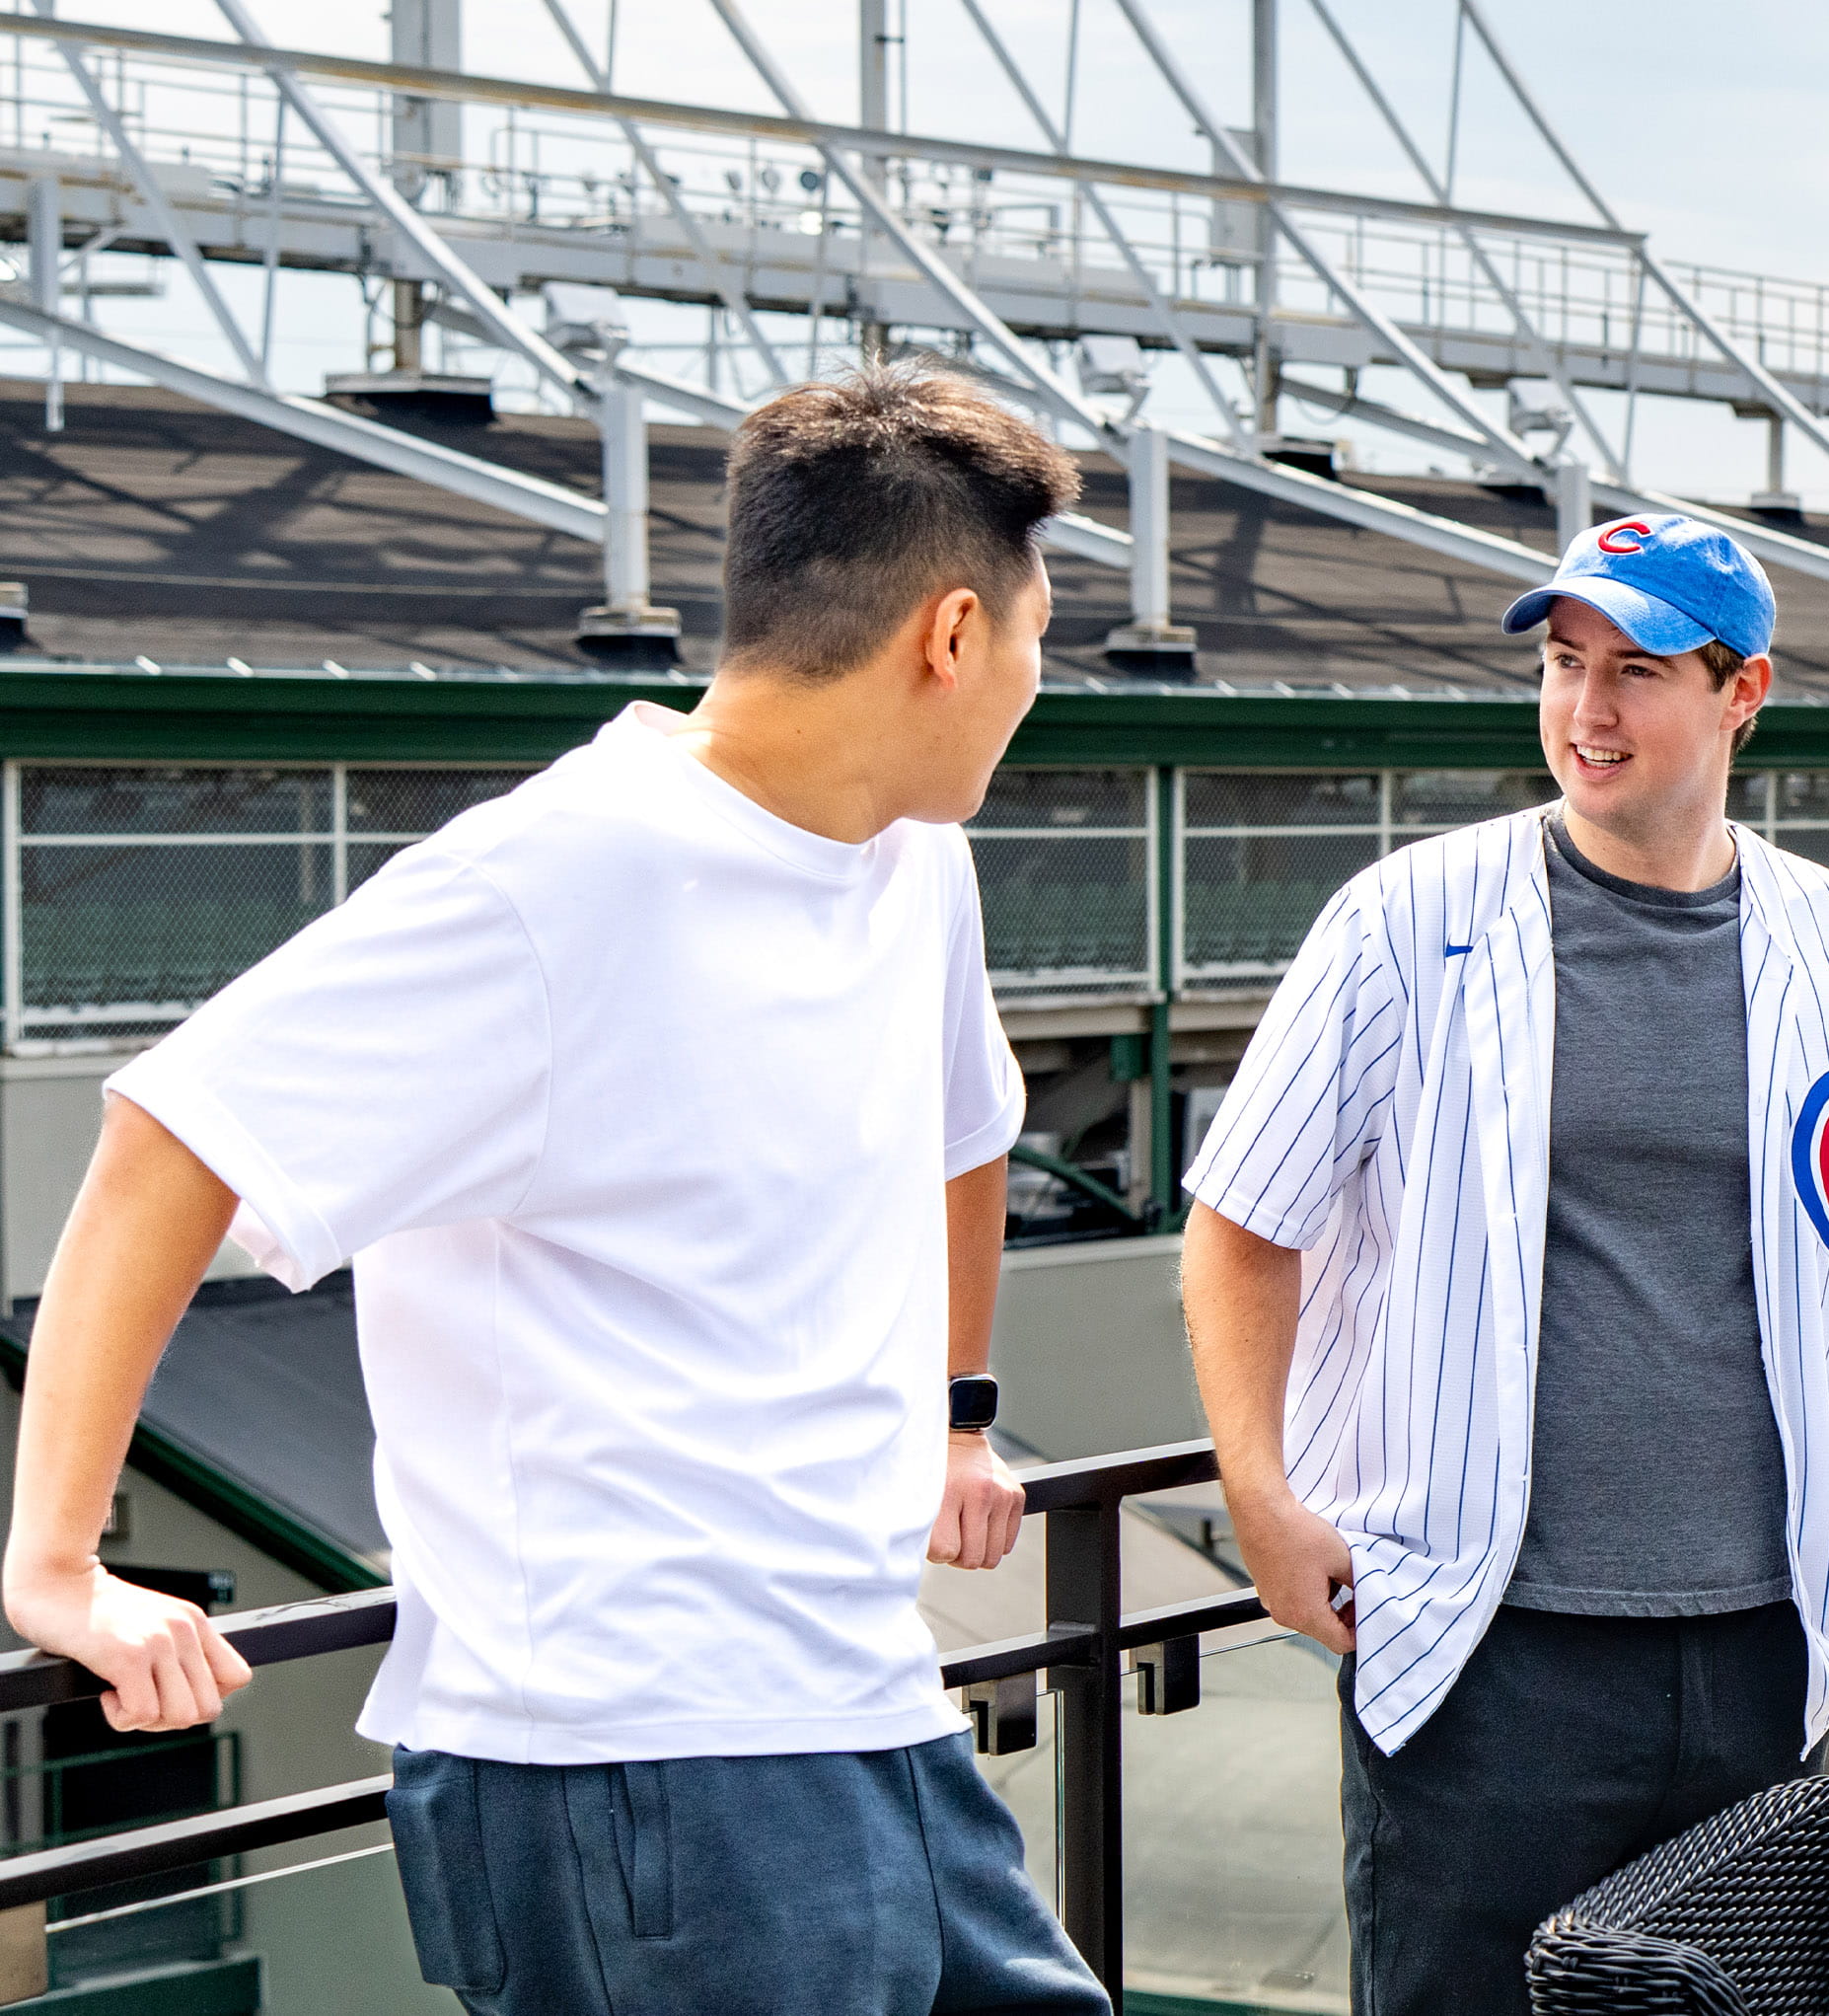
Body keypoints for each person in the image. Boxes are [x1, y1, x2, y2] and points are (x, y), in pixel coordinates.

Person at [2, 360, 1102, 2013]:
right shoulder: (553, 879)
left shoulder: (910, 857)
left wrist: (959, 1411)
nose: (1036, 680)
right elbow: (171, 1133)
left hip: (861, 1694)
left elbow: (963, 1130)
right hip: (628, 1758)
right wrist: (58, 1560)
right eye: (1033, 638)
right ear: (949, 636)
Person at [1181, 513, 1829, 2013]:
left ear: (1744, 693)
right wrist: (1261, 1497)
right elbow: (1241, 1220)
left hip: (1757, 1652)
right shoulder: (1409, 917)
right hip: (1487, 1651)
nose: (1586, 711)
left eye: (1637, 670)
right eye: (1561, 662)